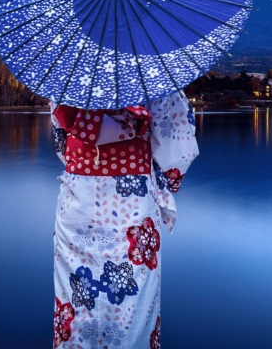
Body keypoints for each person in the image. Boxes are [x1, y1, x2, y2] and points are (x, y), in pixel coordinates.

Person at [50, 92, 198, 348]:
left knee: (76, 301)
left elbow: (62, 143)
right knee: (132, 306)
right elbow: (176, 151)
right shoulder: (152, 74)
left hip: (77, 200)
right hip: (132, 203)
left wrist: (91, 162)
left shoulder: (69, 75)